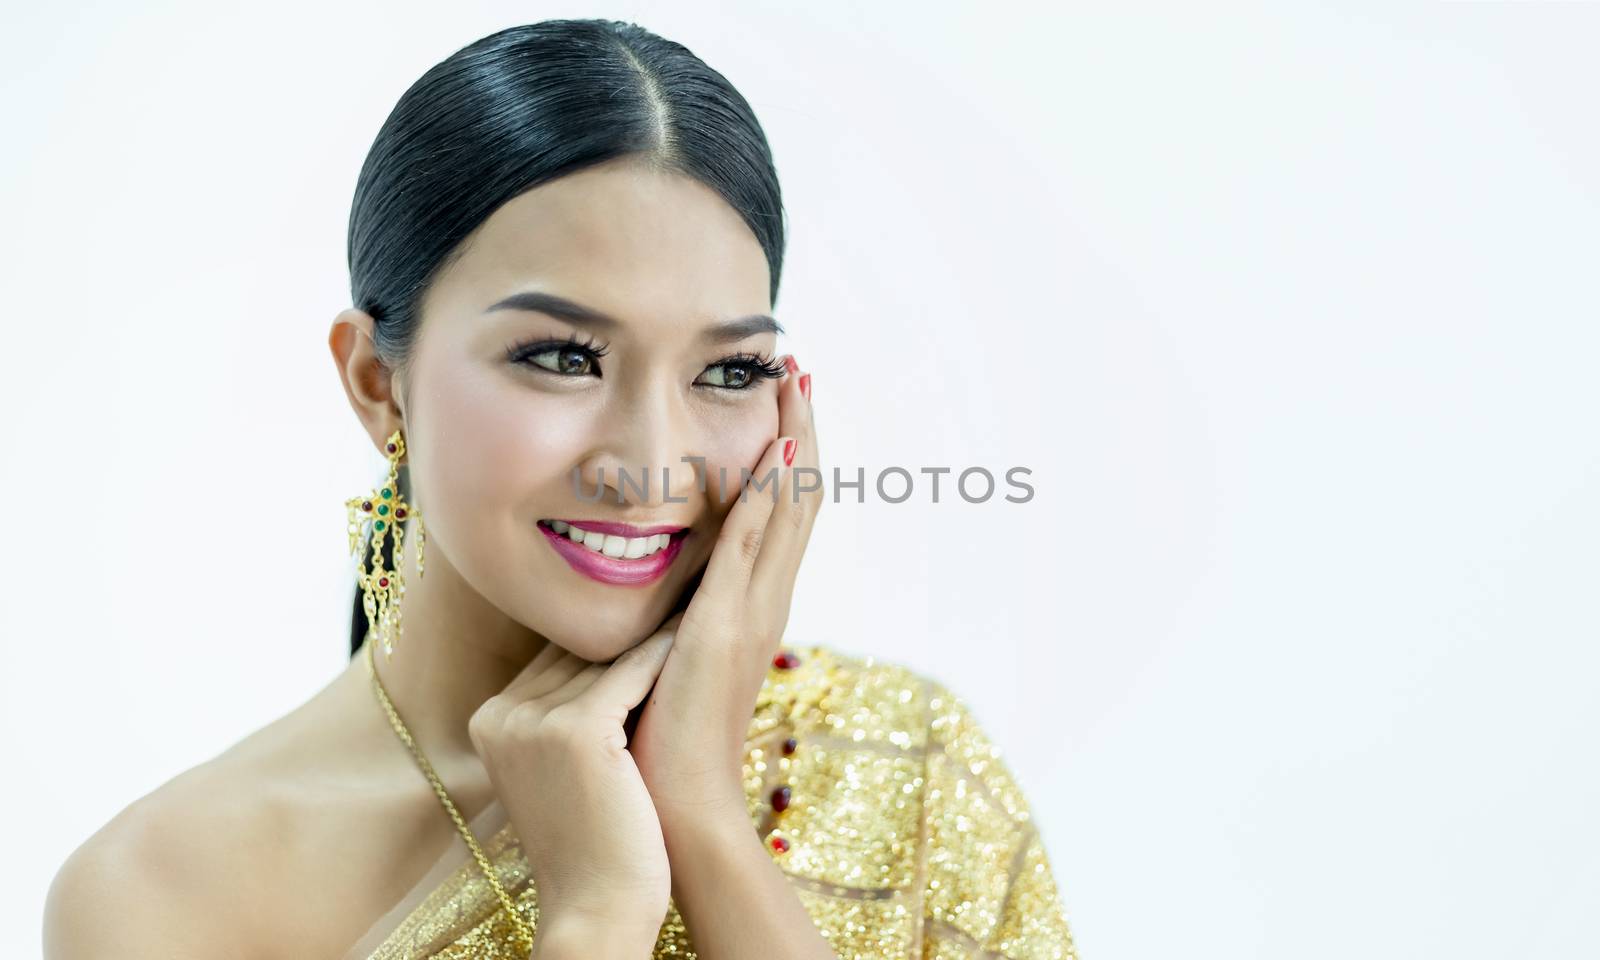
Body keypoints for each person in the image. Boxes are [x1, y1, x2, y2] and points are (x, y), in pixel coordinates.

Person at [43, 19, 1079, 960]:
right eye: (562, 357)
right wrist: (594, 912)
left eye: (727, 372)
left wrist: (707, 818)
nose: (651, 461)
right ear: (375, 380)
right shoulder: (163, 892)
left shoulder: (906, 763)